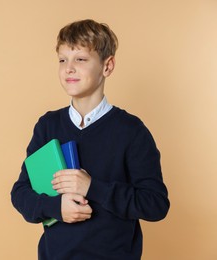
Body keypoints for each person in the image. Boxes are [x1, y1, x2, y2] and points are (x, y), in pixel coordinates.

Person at [10, 19, 170, 260]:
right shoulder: (47, 126)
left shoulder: (131, 130)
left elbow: (155, 204)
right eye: (63, 60)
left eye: (81, 59)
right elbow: (21, 192)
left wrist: (92, 187)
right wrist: (57, 208)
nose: (69, 68)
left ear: (107, 66)